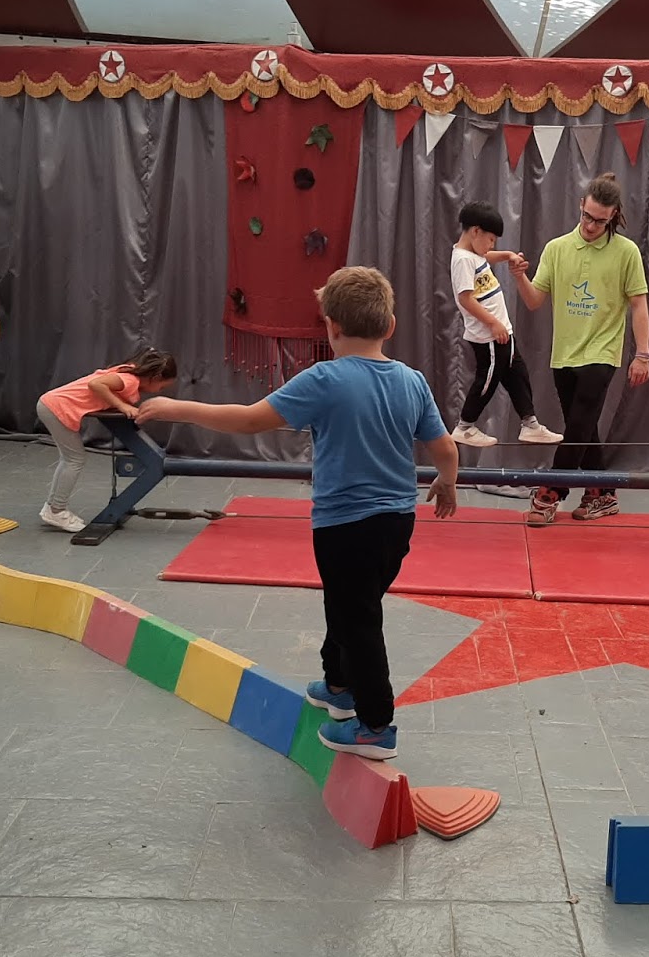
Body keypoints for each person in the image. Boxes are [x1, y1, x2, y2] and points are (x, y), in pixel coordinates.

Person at [137, 266, 457, 760]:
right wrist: (447, 483)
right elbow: (445, 448)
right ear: (390, 326)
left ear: (330, 326)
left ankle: (376, 726)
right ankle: (339, 685)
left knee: (358, 616)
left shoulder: (324, 379)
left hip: (344, 526)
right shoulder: (411, 381)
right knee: (349, 604)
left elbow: (250, 420)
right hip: (397, 522)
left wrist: (177, 409)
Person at [510, 172, 649, 524]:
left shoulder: (626, 252)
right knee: (582, 427)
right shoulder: (557, 248)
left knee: (581, 421)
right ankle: (602, 494)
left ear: (613, 216)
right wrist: (519, 276)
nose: (590, 225)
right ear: (580, 206)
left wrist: (642, 353)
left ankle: (551, 492)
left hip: (602, 352)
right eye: (587, 216)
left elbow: (638, 305)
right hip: (564, 354)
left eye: (600, 221)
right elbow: (534, 301)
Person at [448, 200, 562, 449]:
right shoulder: (462, 260)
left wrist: (508, 255)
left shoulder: (473, 254)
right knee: (488, 379)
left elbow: (487, 256)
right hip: (489, 336)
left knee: (518, 375)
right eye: (490, 239)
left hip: (502, 333)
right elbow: (465, 299)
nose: (492, 246)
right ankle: (465, 426)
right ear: (475, 231)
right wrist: (493, 323)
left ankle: (530, 423)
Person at [36, 348, 179, 533]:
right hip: (55, 408)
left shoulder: (128, 372)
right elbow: (96, 384)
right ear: (156, 377)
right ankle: (56, 510)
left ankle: (52, 507)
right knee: (74, 460)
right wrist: (122, 406)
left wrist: (120, 404)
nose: (160, 391)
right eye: (162, 387)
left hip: (49, 405)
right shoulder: (129, 380)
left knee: (69, 459)